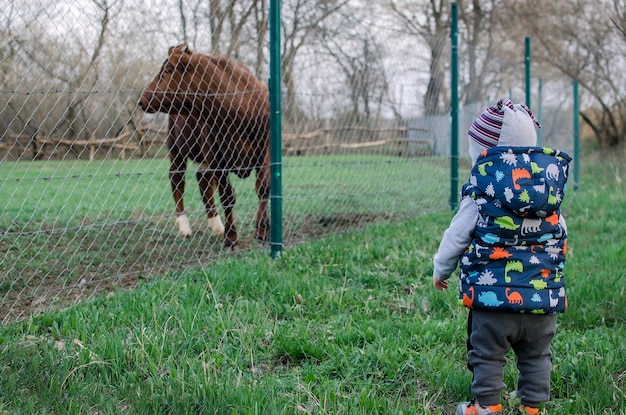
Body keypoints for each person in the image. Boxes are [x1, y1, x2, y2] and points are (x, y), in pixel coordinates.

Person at [432, 98, 571, 415]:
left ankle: (486, 406)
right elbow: (561, 231)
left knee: (487, 354)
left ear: (482, 152)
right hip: (541, 296)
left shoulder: (481, 191)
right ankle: (533, 408)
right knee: (537, 355)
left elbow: (456, 236)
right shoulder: (547, 191)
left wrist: (441, 269)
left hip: (493, 299)